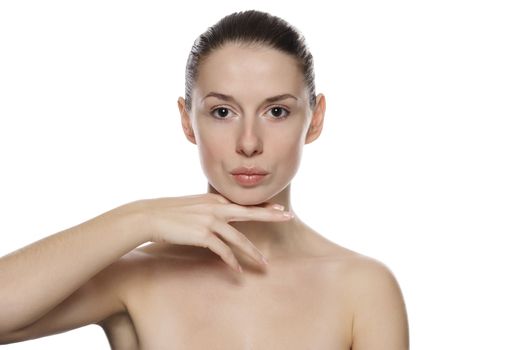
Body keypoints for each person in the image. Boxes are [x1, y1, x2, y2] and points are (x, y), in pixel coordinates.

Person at [0, 9, 409, 350]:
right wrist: (136, 218)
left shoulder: (363, 289)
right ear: (187, 120)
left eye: (277, 112)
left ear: (315, 119)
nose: (249, 143)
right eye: (222, 112)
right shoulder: (136, 274)